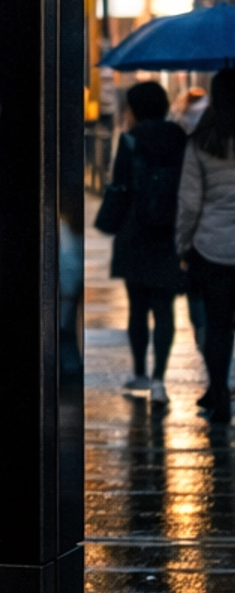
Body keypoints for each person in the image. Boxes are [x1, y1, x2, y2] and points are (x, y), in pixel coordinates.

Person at [107, 79, 187, 404]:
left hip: (135, 233)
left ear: (136, 108)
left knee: (137, 308)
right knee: (164, 309)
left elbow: (119, 187)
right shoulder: (180, 138)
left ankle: (140, 372)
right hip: (169, 233)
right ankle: (159, 381)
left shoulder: (130, 140)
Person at [178, 69, 235, 426]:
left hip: (212, 249)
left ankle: (220, 395)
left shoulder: (201, 141)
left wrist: (182, 245)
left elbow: (188, 203)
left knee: (217, 326)